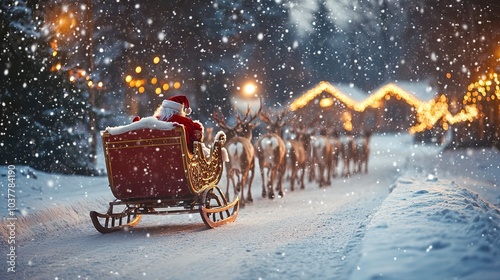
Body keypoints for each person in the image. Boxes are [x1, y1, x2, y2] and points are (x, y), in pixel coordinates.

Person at [134, 95, 204, 153]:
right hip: (180, 158)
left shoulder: (154, 121)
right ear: (179, 110)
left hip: (155, 156)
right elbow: (193, 144)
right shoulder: (186, 122)